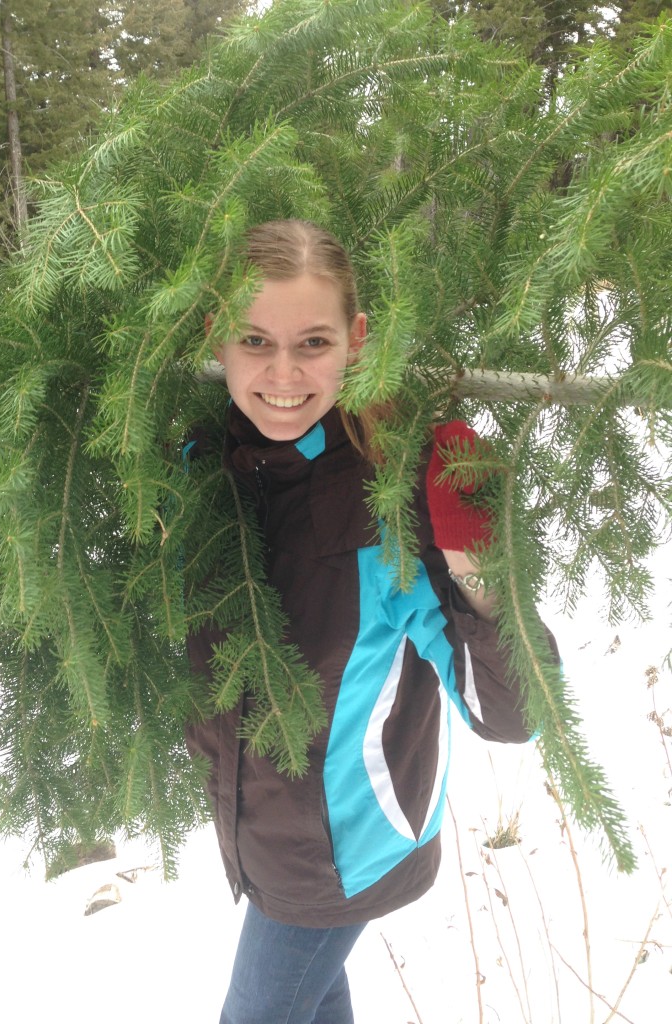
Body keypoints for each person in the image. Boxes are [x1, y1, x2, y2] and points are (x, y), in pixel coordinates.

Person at [185, 219, 557, 1024]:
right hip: (261, 826)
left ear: (357, 339)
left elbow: (513, 713)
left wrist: (478, 563)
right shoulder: (207, 460)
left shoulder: (392, 491)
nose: (283, 374)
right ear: (216, 336)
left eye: (313, 342)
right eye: (254, 339)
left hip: (345, 848)